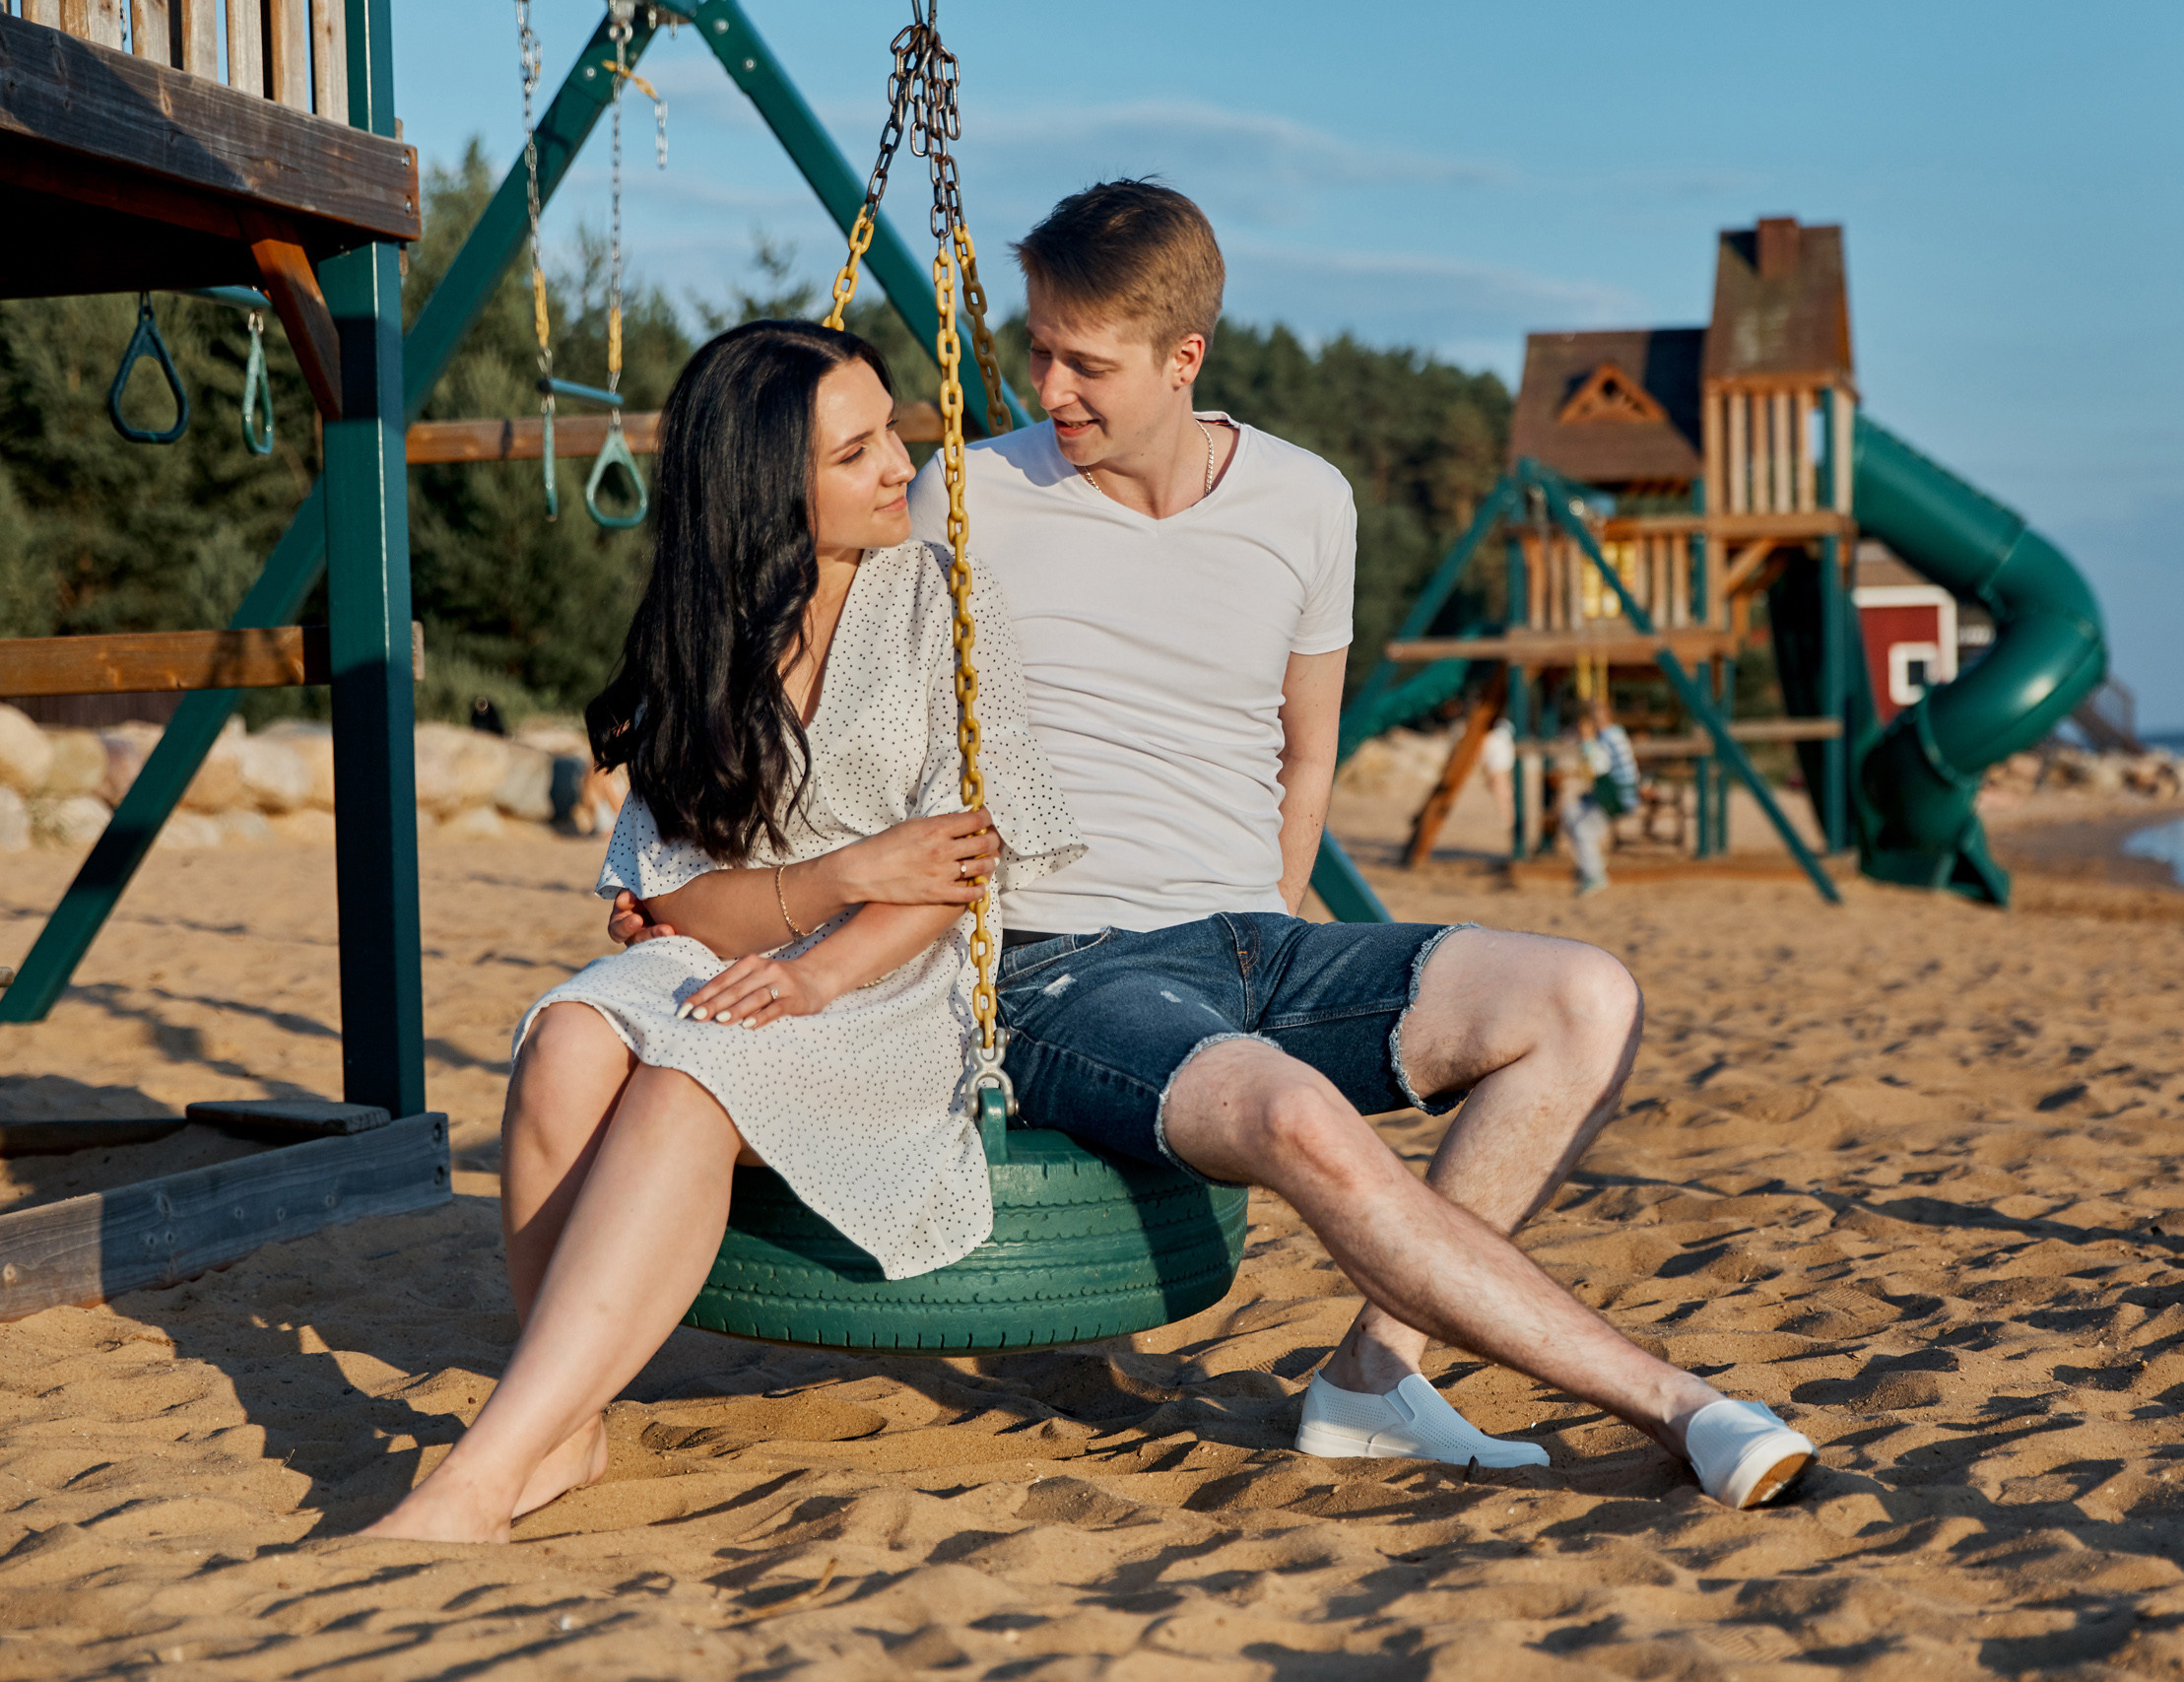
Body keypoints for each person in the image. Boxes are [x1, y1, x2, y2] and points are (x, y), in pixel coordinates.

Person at [611, 182, 1815, 1508]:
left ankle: (1373, 1373)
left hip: (1256, 935)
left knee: (1586, 996)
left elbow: (1307, 750)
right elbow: (787, 644)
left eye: (1085, 361)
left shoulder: (1308, 501)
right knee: (1292, 1109)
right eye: (1036, 347)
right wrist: (693, 872)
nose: (1045, 384)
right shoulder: (962, 498)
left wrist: (1271, 922)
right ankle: (1679, 1402)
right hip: (1065, 966)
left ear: (1186, 357)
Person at [362, 320, 1080, 1542]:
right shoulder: (705, 635)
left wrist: (817, 963)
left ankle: (479, 1475)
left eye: (890, 433)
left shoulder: (944, 604)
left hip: (891, 988)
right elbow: (671, 895)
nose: (896, 467)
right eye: (854, 455)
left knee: (684, 1083)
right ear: (767, 490)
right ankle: (568, 1425)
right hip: (730, 959)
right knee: (565, 1043)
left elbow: (955, 862)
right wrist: (844, 869)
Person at [1558, 698, 1640, 897]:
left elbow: (1598, 766)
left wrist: (1586, 742)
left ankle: (1595, 876)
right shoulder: (1615, 734)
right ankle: (1593, 863)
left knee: (1582, 829)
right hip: (1610, 793)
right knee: (1570, 813)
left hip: (1617, 796)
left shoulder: (1607, 738)